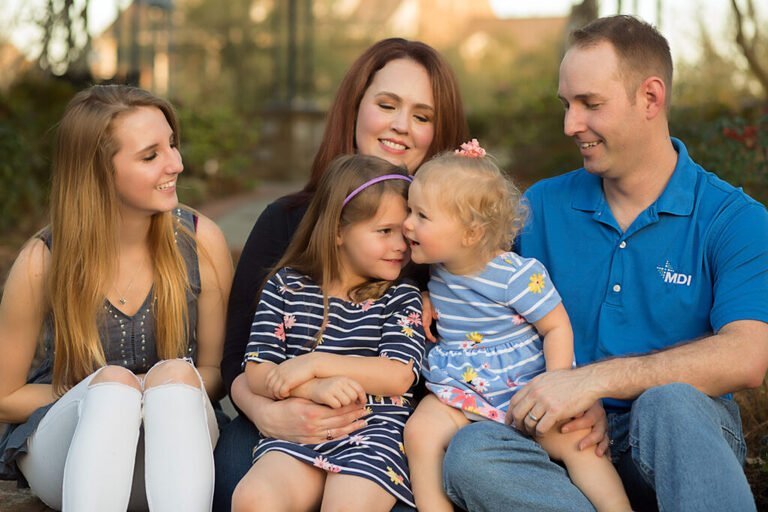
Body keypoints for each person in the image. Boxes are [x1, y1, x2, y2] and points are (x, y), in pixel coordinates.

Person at [441, 15, 768, 512]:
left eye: (591, 104)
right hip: (564, 444)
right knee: (471, 451)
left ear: (651, 99)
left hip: (677, 442)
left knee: (670, 403)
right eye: (567, 105)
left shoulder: (733, 219)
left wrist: (590, 381)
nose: (571, 124)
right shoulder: (541, 207)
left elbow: (747, 356)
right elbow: (480, 291)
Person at [214, 37, 467, 510]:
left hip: (390, 429)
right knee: (236, 481)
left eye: (422, 115)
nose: (400, 126)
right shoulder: (286, 224)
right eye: (387, 104)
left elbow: (424, 368)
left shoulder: (454, 242)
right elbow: (242, 358)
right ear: (355, 107)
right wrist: (274, 415)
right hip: (281, 411)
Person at [0, 84, 233, 511]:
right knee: (112, 390)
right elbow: (4, 395)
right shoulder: (43, 260)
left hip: (175, 446)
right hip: (71, 450)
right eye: (151, 155)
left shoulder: (200, 241)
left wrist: (153, 387)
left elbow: (216, 373)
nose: (177, 164)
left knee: (177, 378)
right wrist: (110, 388)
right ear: (99, 171)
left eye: (172, 145)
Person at [402, 141, 631, 512]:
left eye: (421, 216)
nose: (407, 223)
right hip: (463, 389)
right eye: (409, 210)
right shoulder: (437, 267)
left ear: (471, 233)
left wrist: (558, 388)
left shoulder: (515, 275)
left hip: (525, 390)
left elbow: (557, 327)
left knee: (581, 447)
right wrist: (425, 298)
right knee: (419, 431)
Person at [230, 154, 426, 511]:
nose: (400, 246)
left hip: (373, 433)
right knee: (252, 499)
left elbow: (398, 375)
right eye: (384, 231)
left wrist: (316, 363)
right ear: (337, 230)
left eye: (405, 233)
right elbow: (257, 372)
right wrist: (312, 387)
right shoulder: (286, 286)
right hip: (299, 428)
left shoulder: (400, 296)